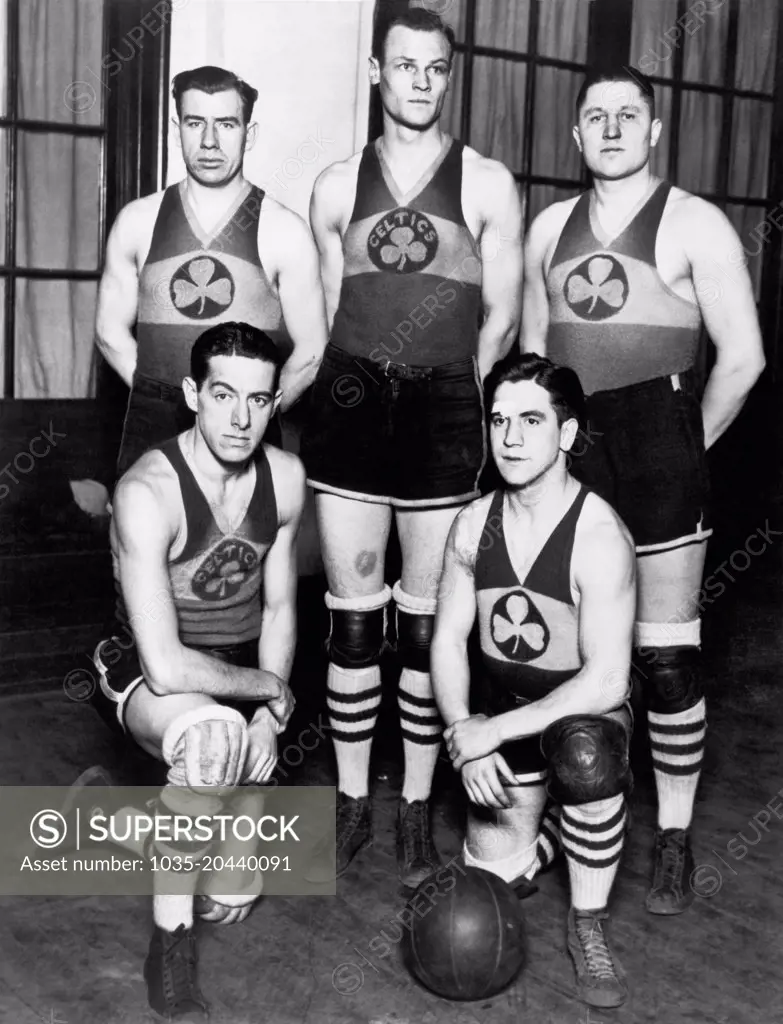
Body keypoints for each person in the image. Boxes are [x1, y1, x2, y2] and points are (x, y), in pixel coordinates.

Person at [521, 65, 765, 915]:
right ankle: (571, 810)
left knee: (663, 661)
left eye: (629, 115)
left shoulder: (695, 223)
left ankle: (672, 834)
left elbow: (744, 357)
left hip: (661, 444)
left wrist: (682, 446)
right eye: (596, 116)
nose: (613, 128)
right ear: (576, 135)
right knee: (571, 651)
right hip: (567, 453)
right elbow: (527, 364)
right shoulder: (547, 227)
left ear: (654, 131)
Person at [300, 6, 524, 888]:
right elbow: (323, 319)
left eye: (435, 68)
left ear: (448, 76)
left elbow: (501, 316)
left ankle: (417, 806)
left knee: (430, 619)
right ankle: (354, 798)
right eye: (405, 67)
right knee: (355, 620)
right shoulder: (330, 186)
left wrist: (451, 390)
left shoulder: (487, 183)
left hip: (440, 404)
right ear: (375, 73)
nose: (420, 83)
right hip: (351, 399)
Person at [89, 322, 304, 1020]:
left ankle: (112, 818)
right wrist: (269, 692)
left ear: (275, 403)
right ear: (191, 394)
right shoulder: (146, 490)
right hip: (146, 673)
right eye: (223, 395)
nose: (241, 419)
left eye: (259, 400)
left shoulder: (286, 478)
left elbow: (277, 609)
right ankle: (170, 951)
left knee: (230, 900)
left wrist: (268, 721)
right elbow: (164, 662)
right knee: (211, 741)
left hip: (239, 675)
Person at [432, 352, 636, 1009]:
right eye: (498, 421)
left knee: (586, 758)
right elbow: (443, 642)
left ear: (567, 435)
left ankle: (586, 922)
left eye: (530, 420)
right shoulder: (471, 524)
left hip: (577, 710)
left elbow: (605, 679)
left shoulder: (599, 535)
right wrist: (462, 729)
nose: (511, 438)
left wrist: (491, 730)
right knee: (490, 883)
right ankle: (548, 834)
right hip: (498, 707)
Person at [96, 65, 328, 477]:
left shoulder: (284, 231)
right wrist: (168, 398)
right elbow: (109, 332)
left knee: (246, 541)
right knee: (144, 537)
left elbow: (312, 351)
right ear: (176, 127)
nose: (209, 141)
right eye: (195, 122)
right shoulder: (136, 221)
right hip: (155, 429)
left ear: (248, 134)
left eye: (225, 124)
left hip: (247, 439)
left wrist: (252, 409)